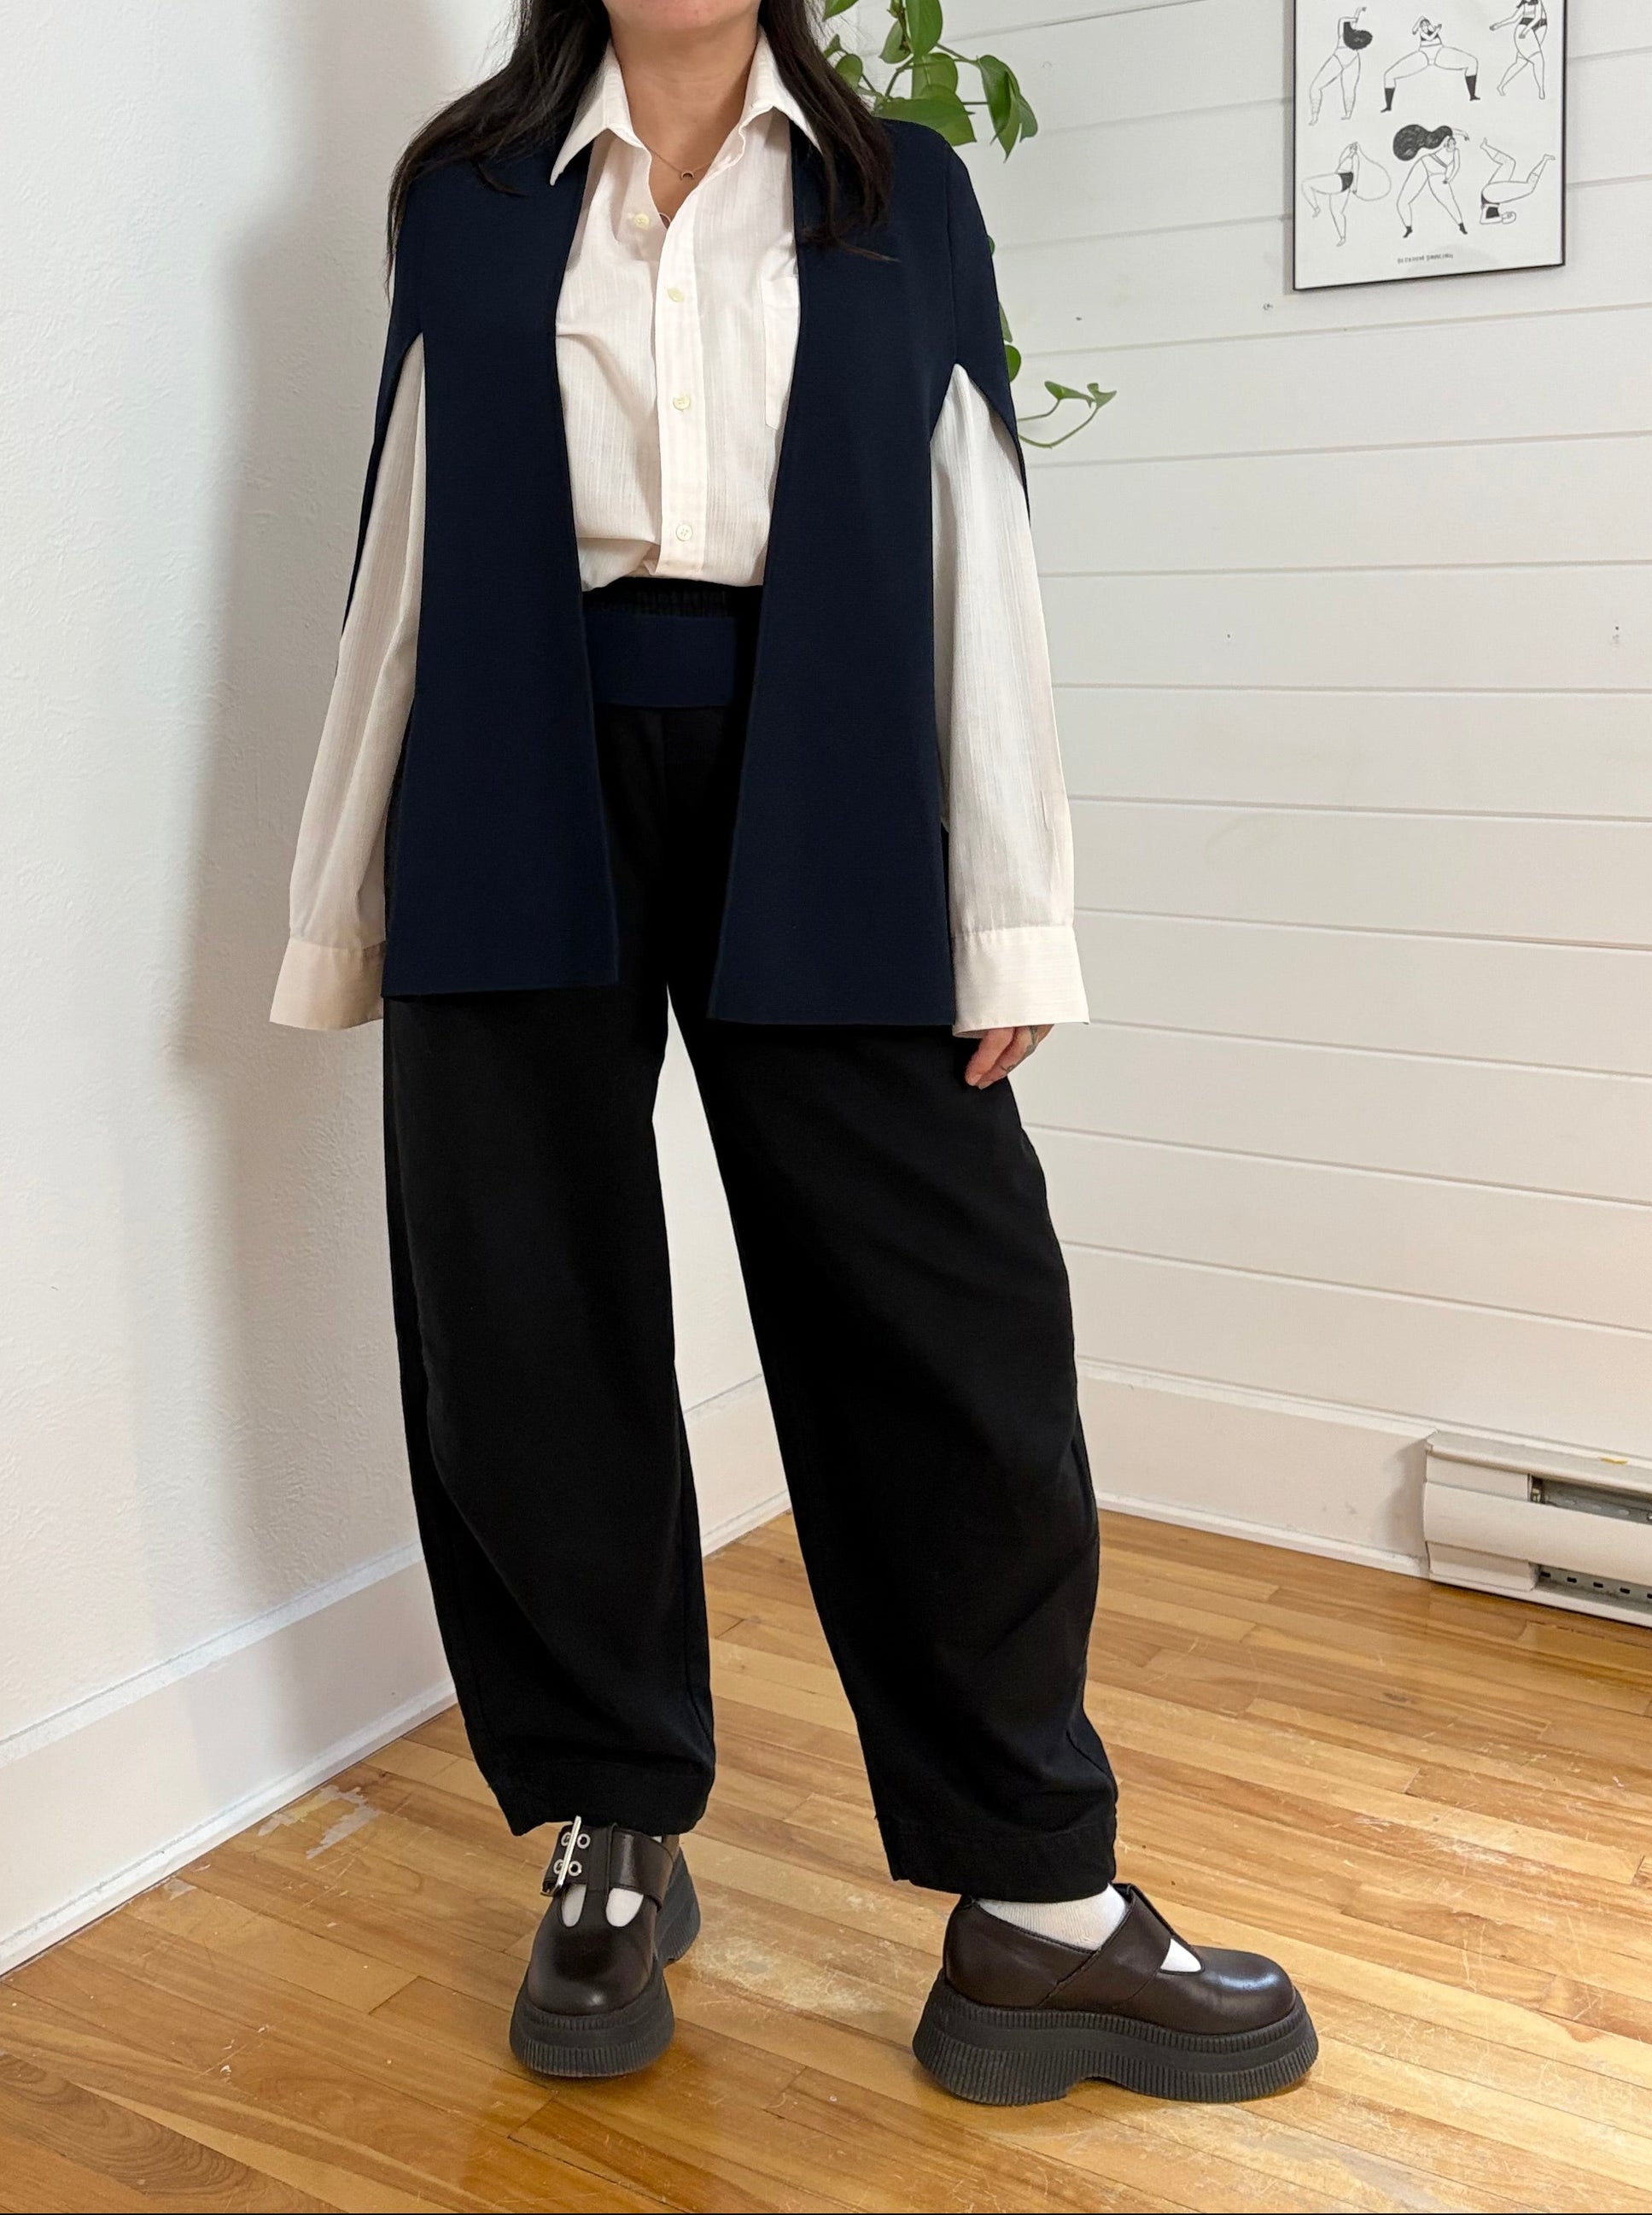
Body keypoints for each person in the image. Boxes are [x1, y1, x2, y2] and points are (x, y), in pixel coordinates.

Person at [272, 0, 1316, 2109]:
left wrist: (1006, 902)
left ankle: (1035, 1903)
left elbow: (973, 539)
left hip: (824, 764)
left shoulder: (894, 191)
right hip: (509, 771)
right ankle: (609, 1822)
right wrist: (341, 902)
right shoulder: (466, 197)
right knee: (524, 1326)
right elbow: (405, 545)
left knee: (951, 1328)